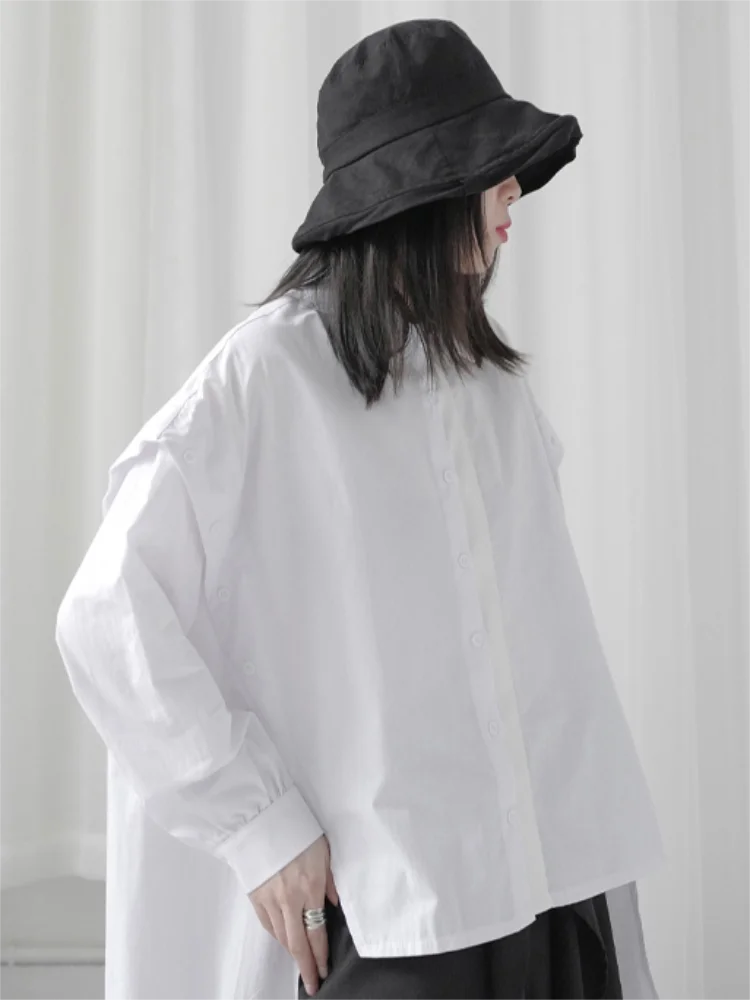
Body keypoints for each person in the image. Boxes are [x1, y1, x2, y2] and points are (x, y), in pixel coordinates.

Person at [54, 18, 666, 1000]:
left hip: (552, 893)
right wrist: (260, 827)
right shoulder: (265, 381)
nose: (513, 192)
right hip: (394, 919)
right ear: (421, 192)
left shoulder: (496, 394)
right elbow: (106, 616)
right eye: (490, 170)